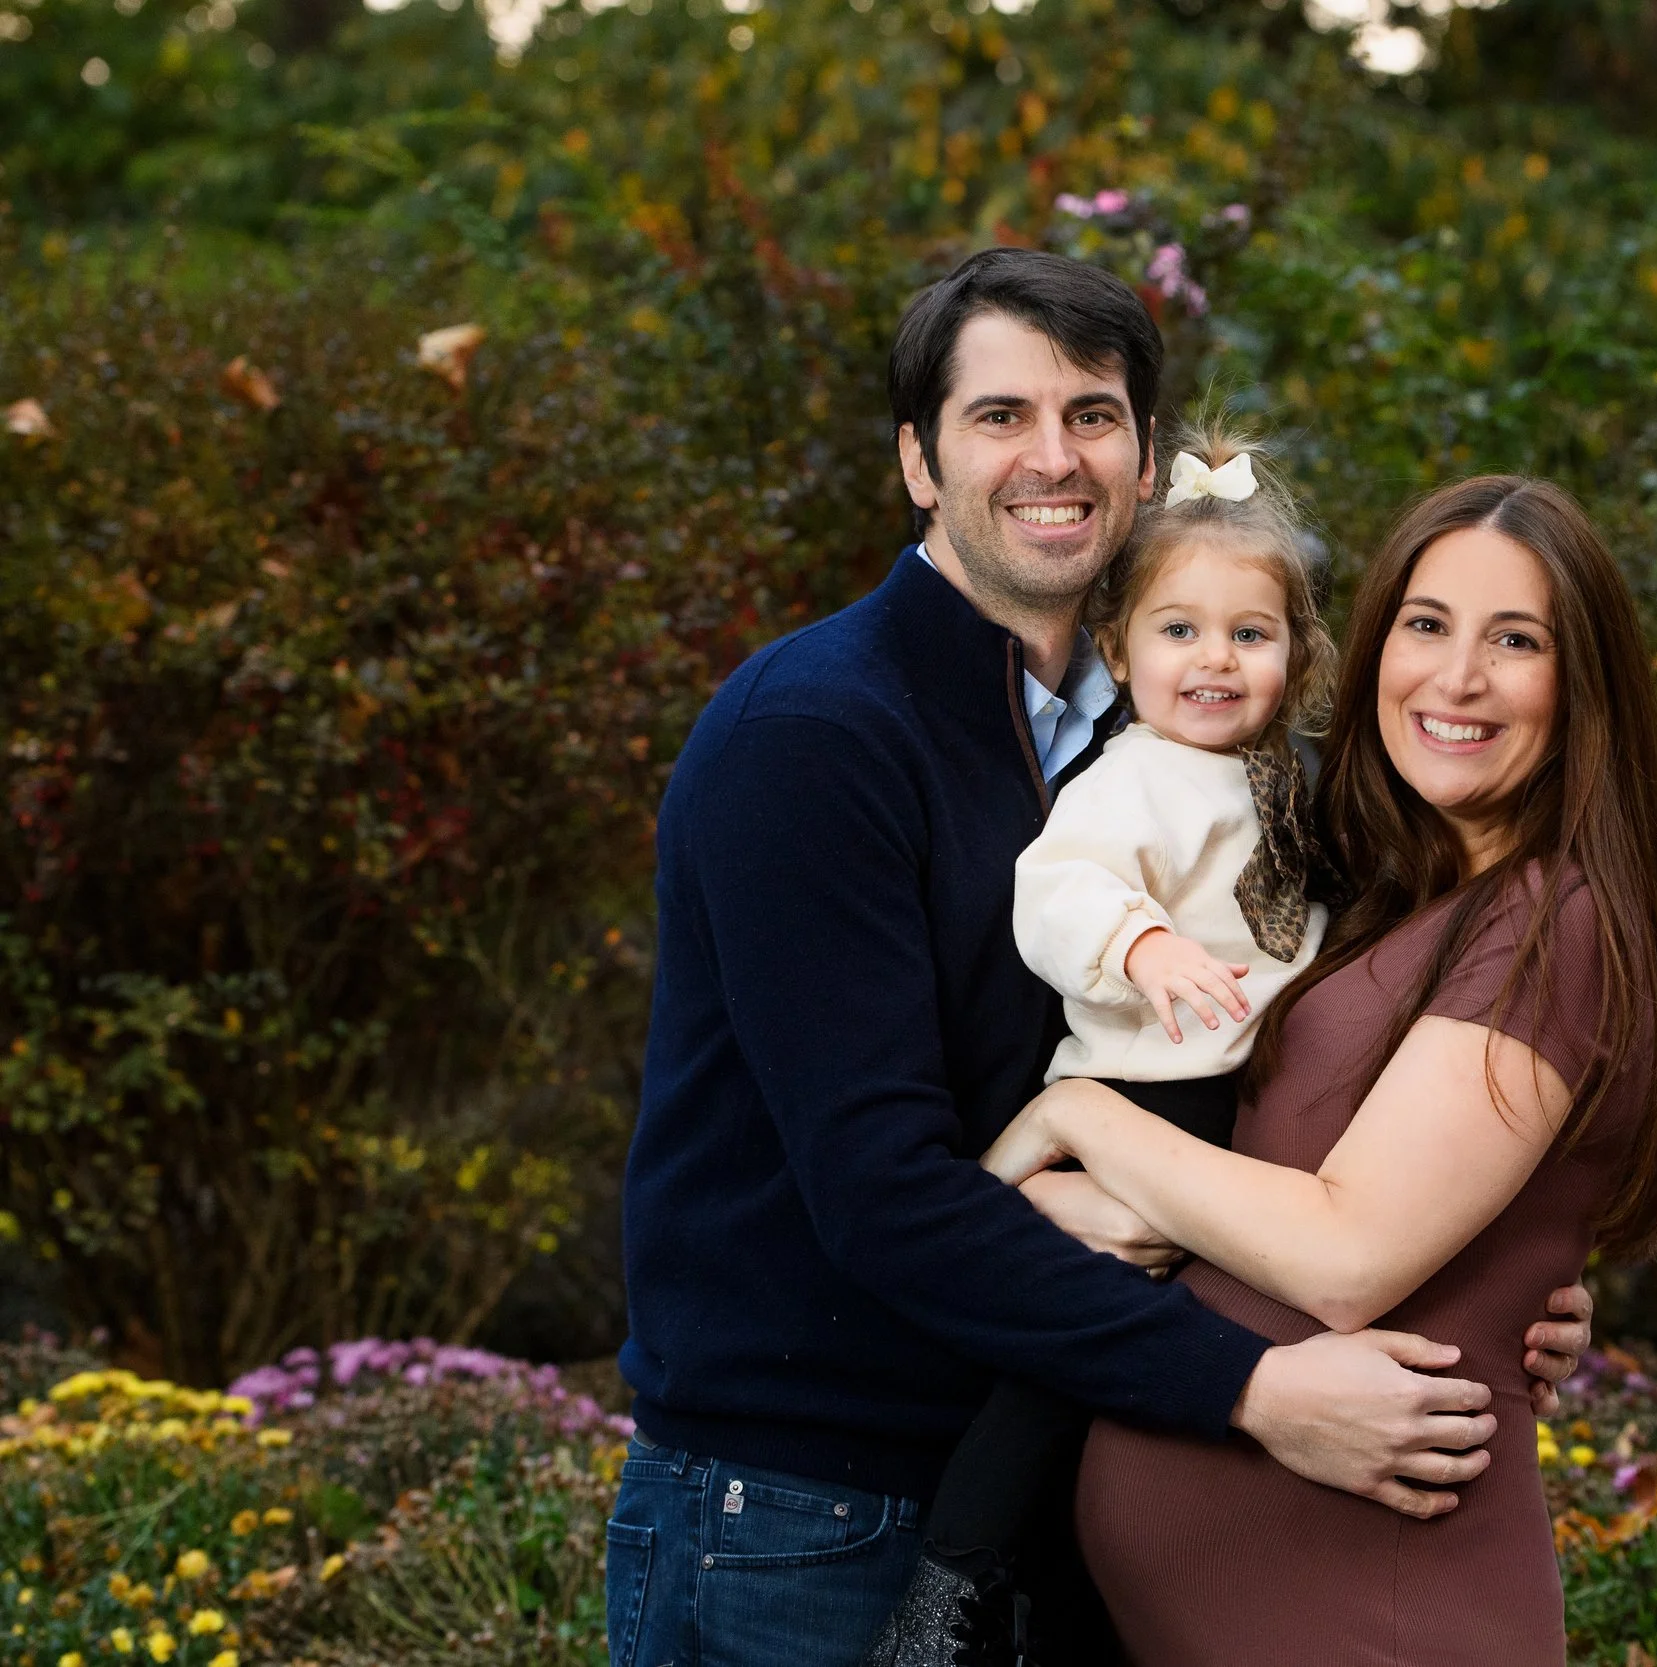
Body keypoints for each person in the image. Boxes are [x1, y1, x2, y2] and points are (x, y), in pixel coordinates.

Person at [604, 249, 1592, 1667]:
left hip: (1069, 1470)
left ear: (1143, 457)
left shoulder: (1170, 734)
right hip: (810, 1509)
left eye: (1092, 414)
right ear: (917, 461)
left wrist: (1499, 1275)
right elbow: (879, 1187)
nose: (1053, 456)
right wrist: (1252, 1384)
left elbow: (1339, 1070)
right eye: (999, 415)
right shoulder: (814, 738)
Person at [983, 475, 1657, 1664]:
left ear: (1584, 686)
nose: (1456, 677)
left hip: (1382, 1613)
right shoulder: (1380, 894)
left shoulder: (1548, 921)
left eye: (1514, 641)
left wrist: (1079, 1114)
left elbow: (1345, 1253)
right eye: (1427, 623)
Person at [875, 416, 1341, 1658]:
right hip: (1146, 1090)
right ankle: (945, 1594)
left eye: (1250, 634)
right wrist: (1141, 946)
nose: (1214, 659)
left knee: (1135, 1389)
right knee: (1060, 1359)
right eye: (1179, 631)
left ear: (1295, 654)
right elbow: (1057, 888)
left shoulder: (1285, 777)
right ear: (1121, 650)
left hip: (1234, 1101)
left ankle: (1075, 1603)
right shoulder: (1132, 775)